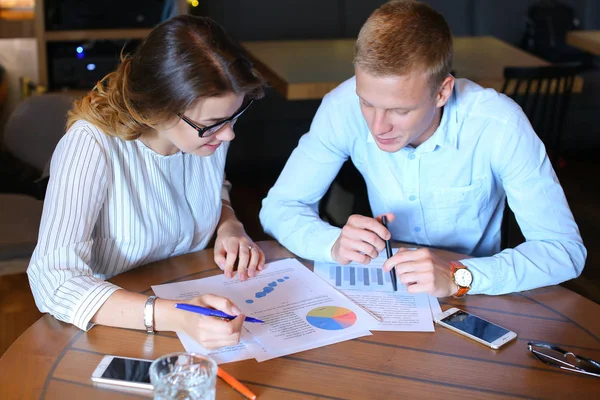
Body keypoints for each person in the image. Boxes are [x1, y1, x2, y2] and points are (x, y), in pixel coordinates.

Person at [260, 0, 586, 298]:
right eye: (366, 102)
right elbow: (279, 208)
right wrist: (332, 243)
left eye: (400, 111)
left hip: (475, 296)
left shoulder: (499, 125)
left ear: (442, 92)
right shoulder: (340, 108)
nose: (377, 127)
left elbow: (564, 251)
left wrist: (460, 276)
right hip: (387, 291)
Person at [27, 15, 266, 349]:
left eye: (234, 116)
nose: (229, 134)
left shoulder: (203, 136)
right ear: (160, 109)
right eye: (213, 123)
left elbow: (214, 183)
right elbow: (52, 279)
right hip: (108, 329)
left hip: (182, 308)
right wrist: (176, 316)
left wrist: (229, 223)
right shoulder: (92, 145)